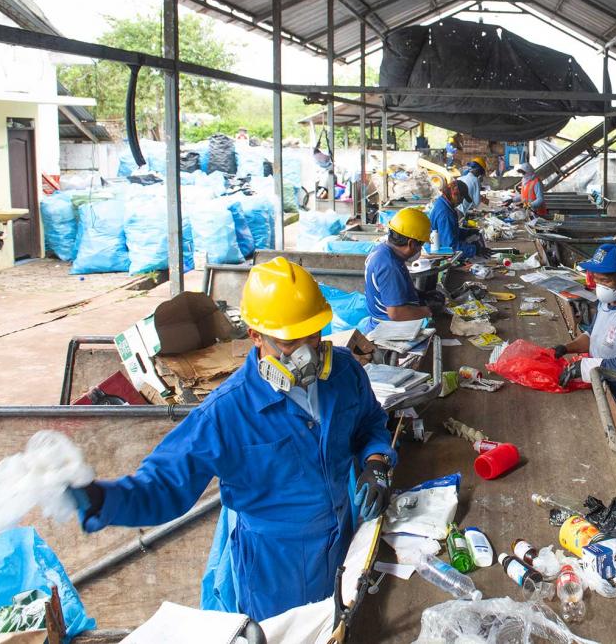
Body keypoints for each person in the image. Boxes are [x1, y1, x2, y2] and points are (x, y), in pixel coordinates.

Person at [68, 258, 397, 621]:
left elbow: (370, 422)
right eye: (290, 342)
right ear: (255, 336)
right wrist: (102, 498)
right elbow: (163, 485)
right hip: (276, 571)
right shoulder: (228, 411)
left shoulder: (344, 372)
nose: (307, 353)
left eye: (314, 335)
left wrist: (375, 462)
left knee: (342, 625)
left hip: (343, 541)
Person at [555, 244, 616, 397]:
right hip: (605, 380)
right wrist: (565, 348)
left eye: (605, 281)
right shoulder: (606, 302)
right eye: (597, 280)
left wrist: (587, 366)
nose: (600, 287)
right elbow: (592, 335)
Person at [364, 207, 434, 330]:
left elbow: (392, 291)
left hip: (385, 323)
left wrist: (421, 295)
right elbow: (396, 313)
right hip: (389, 330)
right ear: (411, 243)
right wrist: (429, 310)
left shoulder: (383, 251)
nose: (420, 250)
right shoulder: (390, 266)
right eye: (421, 245)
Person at [428, 179, 483, 258]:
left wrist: (467, 232)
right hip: (439, 252)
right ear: (454, 194)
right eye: (461, 198)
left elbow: (449, 231)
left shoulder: (442, 202)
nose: (461, 201)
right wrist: (475, 250)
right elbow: (451, 247)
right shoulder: (445, 213)